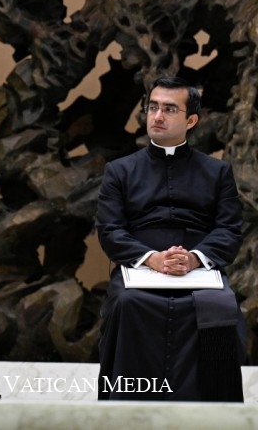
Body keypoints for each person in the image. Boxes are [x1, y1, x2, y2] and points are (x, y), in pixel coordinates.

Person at [96, 76, 245, 401]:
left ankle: (213, 419)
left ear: (191, 120)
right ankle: (128, 413)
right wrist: (153, 258)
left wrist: (193, 258)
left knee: (219, 305)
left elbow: (230, 229)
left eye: (169, 109)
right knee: (128, 303)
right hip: (140, 271)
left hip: (198, 273)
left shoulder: (217, 172)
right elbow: (110, 230)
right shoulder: (119, 171)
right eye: (153, 108)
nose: (157, 116)